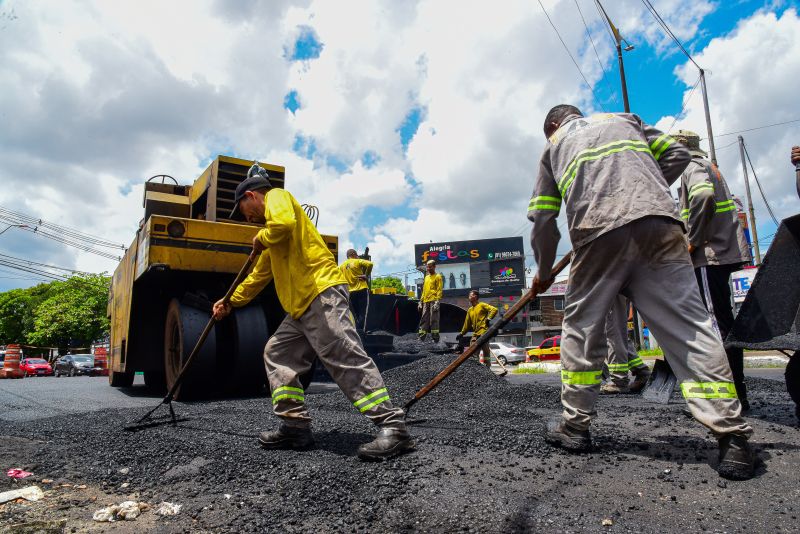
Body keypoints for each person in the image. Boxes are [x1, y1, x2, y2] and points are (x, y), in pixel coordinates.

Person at [527, 105, 755, 480]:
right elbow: (679, 155)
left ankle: (575, 426)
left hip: (598, 233)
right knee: (691, 328)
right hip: (661, 227)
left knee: (582, 331)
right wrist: (644, 191)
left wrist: (544, 273)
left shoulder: (554, 146)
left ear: (553, 126)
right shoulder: (625, 120)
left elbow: (544, 222)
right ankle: (733, 437)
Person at [212, 165, 415, 460]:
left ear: (252, 196)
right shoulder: (272, 238)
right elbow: (257, 277)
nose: (246, 217)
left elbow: (280, 224)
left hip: (321, 293)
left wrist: (262, 238)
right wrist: (230, 301)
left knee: (343, 354)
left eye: (243, 209)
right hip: (301, 308)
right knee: (278, 353)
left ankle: (393, 427)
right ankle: (295, 426)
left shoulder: (277, 198)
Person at [674, 130, 753, 411]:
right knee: (722, 321)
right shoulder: (711, 167)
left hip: (710, 255)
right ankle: (736, 392)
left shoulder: (691, 167)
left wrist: (693, 241)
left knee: (715, 326)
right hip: (723, 252)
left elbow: (703, 197)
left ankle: (727, 396)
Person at [600, 296, 651, 394]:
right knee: (616, 331)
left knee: (613, 332)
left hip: (609, 288)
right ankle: (641, 371)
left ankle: (619, 381)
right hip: (612, 288)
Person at [458, 290, 501, 373]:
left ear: (475, 297)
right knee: (473, 352)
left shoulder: (482, 305)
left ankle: (487, 369)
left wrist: (489, 318)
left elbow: (494, 309)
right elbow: (467, 324)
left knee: (486, 352)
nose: (469, 297)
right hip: (476, 333)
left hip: (483, 332)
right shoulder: (470, 310)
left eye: (471, 295)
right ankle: (476, 371)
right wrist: (461, 333)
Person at [339, 249, 373, 332]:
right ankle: (362, 332)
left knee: (355, 313)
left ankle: (357, 331)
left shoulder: (341, 266)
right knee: (363, 312)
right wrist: (366, 275)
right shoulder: (357, 261)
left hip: (350, 292)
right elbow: (370, 264)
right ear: (353, 254)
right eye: (356, 254)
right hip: (361, 290)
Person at [418, 260, 443, 342]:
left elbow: (439, 290)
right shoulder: (426, 278)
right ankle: (421, 338)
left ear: (434, 267)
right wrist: (420, 301)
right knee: (424, 319)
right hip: (426, 301)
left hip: (433, 301)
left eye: (430, 266)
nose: (428, 268)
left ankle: (435, 339)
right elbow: (424, 291)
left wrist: (437, 301)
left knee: (434, 320)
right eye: (427, 267)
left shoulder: (438, 276)